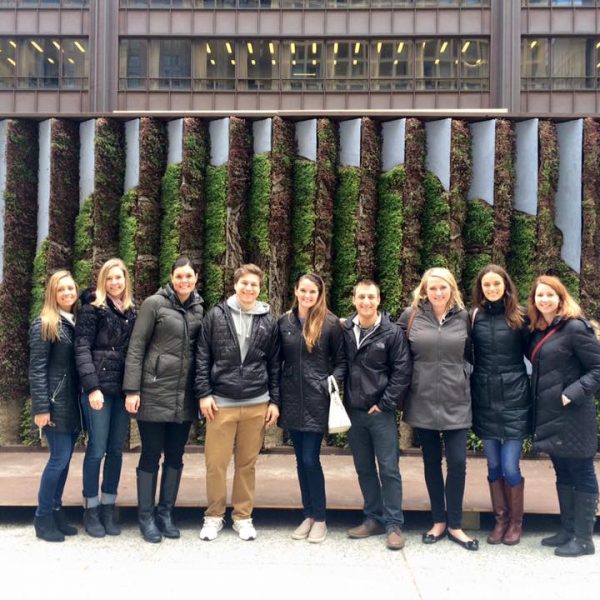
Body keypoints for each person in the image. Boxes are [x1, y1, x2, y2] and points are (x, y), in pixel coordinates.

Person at [195, 263, 280, 541]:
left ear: (259, 288)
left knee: (247, 464)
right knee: (216, 463)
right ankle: (214, 516)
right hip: (221, 402)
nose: (249, 288)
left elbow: (275, 364)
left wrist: (274, 401)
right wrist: (204, 393)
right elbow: (202, 357)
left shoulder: (268, 319)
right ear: (235, 285)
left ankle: (243, 516)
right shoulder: (216, 316)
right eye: (244, 283)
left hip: (257, 401)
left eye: (254, 284)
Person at [123, 257, 204, 543]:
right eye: (179, 276)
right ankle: (146, 516)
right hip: (154, 391)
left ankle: (165, 513)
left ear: (195, 278)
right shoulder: (153, 304)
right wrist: (132, 389)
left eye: (189, 276)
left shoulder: (198, 308)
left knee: (176, 455)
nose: (184, 281)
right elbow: (136, 347)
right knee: (150, 454)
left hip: (183, 397)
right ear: (171, 277)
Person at [398, 267, 478, 551]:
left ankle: (455, 524)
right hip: (423, 400)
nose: (438, 293)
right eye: (433, 288)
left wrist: (463, 374)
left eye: (443, 288)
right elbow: (396, 351)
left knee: (457, 462)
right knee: (431, 463)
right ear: (424, 289)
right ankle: (438, 521)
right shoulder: (411, 316)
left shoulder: (465, 318)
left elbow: (473, 355)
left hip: (457, 399)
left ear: (452, 289)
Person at [527, 275, 600, 557]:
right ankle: (567, 530)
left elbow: (597, 368)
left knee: (581, 471)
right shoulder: (542, 330)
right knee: (562, 470)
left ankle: (584, 538)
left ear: (561, 297)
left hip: (574, 414)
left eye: (549, 294)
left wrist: (572, 392)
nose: (544, 299)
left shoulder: (575, 328)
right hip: (553, 414)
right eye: (539, 295)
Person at [343, 280, 412, 551]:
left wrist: (385, 404)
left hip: (380, 413)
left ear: (379, 299)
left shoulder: (392, 332)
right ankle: (372, 518)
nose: (366, 302)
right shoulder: (346, 329)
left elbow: (402, 371)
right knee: (364, 468)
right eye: (361, 297)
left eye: (371, 297)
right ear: (354, 299)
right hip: (353, 412)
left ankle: (394, 524)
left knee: (389, 468)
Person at [278, 273, 345, 544]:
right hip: (292, 398)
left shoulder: (330, 323)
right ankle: (307, 514)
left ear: (319, 294)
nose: (307, 296)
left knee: (310, 459)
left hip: (317, 400)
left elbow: (342, 362)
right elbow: (276, 359)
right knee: (299, 461)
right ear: (295, 290)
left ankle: (320, 518)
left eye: (312, 292)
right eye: (303, 291)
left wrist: (329, 382)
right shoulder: (284, 322)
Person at [74, 258, 136, 538]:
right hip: (98, 391)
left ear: (126, 280)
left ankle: (109, 505)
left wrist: (133, 388)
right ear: (102, 281)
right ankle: (91, 508)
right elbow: (82, 349)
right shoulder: (92, 310)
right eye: (109, 278)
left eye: (118, 278)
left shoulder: (132, 312)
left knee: (116, 450)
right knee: (96, 449)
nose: (114, 283)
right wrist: (91, 388)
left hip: (121, 390)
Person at [470, 264, 531, 545]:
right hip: (485, 399)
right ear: (480, 289)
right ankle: (501, 521)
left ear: (506, 286)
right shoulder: (475, 317)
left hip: (515, 399)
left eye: (496, 284)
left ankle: (516, 523)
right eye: (486, 285)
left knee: (510, 467)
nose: (492, 289)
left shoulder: (519, 317)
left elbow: (539, 352)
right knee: (493, 466)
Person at [30, 270, 80, 542]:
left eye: (71, 289)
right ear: (52, 293)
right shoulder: (45, 324)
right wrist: (41, 408)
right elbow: (37, 369)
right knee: (58, 459)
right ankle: (42, 516)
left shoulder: (72, 321)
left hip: (71, 404)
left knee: (64, 461)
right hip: (53, 403)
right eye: (61, 290)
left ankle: (57, 510)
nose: (67, 294)